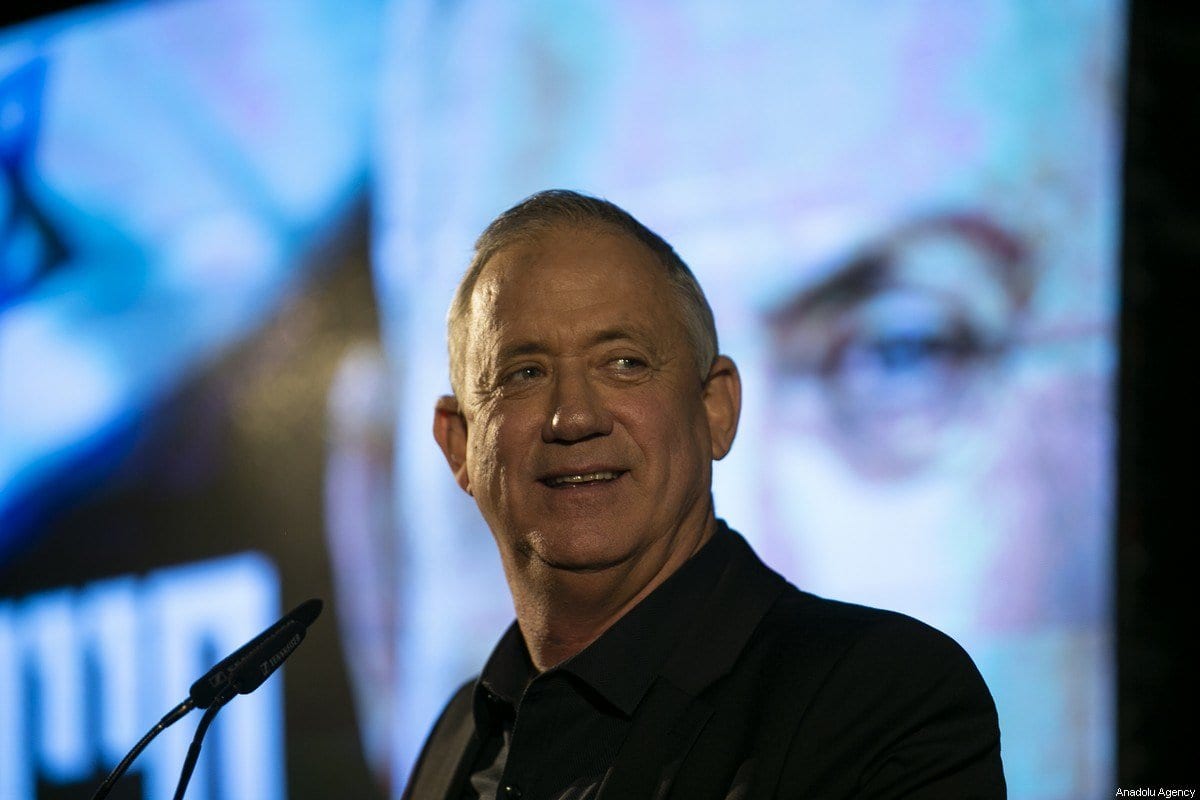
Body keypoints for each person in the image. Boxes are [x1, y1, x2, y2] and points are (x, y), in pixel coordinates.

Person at [403, 189, 1005, 799]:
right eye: (524, 373)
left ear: (716, 408)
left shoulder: (881, 700)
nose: (574, 416)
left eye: (624, 363)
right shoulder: (456, 738)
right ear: (459, 444)